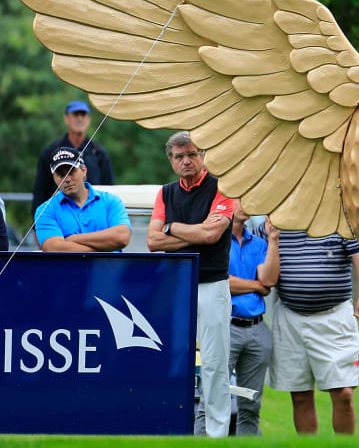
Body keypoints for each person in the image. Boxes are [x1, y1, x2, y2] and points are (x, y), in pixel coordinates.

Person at [147, 131, 235, 437]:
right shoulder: (166, 193)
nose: (186, 160)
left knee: (213, 364)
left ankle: (216, 436)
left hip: (212, 285)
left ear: (203, 155)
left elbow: (212, 236)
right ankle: (171, 429)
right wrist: (193, 233)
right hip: (177, 286)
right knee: (172, 360)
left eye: (192, 154)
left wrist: (172, 227)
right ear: (171, 161)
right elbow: (152, 241)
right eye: (179, 156)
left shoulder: (223, 187)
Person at [267, 230, 359, 435]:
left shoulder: (337, 219)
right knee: (300, 396)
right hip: (290, 316)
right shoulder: (278, 220)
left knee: (343, 393)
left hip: (334, 318)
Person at [200, 201, 280, 436]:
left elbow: (270, 280)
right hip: (225, 326)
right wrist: (256, 285)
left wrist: (273, 239)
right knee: (211, 401)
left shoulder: (258, 242)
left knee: (250, 405)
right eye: (239, 198)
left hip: (257, 330)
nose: (247, 203)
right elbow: (223, 282)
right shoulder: (214, 241)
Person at [33, 147, 131, 252]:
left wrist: (72, 239)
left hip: (109, 268)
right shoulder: (45, 210)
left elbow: (122, 237)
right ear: (54, 178)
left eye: (71, 172)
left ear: (83, 171)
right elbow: (54, 249)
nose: (67, 179)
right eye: (60, 174)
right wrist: (105, 249)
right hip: (68, 268)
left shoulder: (111, 201)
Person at [32, 100, 114, 217]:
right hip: (59, 215)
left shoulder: (99, 153)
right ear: (66, 118)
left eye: (83, 114)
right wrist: (36, 226)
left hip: (93, 216)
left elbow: (109, 188)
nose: (79, 118)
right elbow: (40, 190)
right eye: (75, 114)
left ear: (88, 119)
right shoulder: (51, 152)